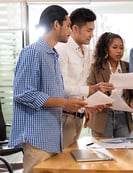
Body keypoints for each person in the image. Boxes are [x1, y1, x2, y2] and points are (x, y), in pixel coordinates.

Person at [8, 5, 87, 173]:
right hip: (37, 137)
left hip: (52, 136)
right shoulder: (32, 52)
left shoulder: (52, 55)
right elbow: (24, 93)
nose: (70, 31)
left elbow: (56, 92)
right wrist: (64, 103)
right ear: (56, 25)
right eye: (67, 26)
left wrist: (79, 103)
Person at [55, 8, 113, 148]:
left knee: (72, 161)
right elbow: (61, 87)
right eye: (89, 30)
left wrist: (87, 105)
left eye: (93, 30)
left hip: (78, 116)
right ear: (75, 28)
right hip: (64, 115)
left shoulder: (86, 52)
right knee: (63, 162)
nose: (92, 35)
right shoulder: (62, 50)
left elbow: (81, 83)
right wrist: (91, 89)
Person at [86, 32, 133, 137]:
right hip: (103, 116)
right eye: (115, 47)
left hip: (123, 116)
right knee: (104, 151)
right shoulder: (96, 68)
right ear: (106, 49)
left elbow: (132, 91)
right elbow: (88, 90)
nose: (119, 51)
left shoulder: (127, 67)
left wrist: (132, 101)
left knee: (123, 151)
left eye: (121, 48)